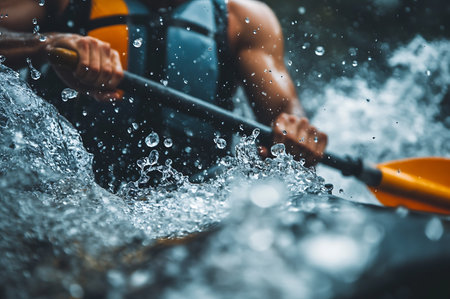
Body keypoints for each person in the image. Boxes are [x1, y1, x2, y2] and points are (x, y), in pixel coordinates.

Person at [0, 0, 327, 189]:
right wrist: (47, 43)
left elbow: (288, 118)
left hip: (196, 204)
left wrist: (297, 140)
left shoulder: (244, 18)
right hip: (71, 194)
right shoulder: (62, 2)